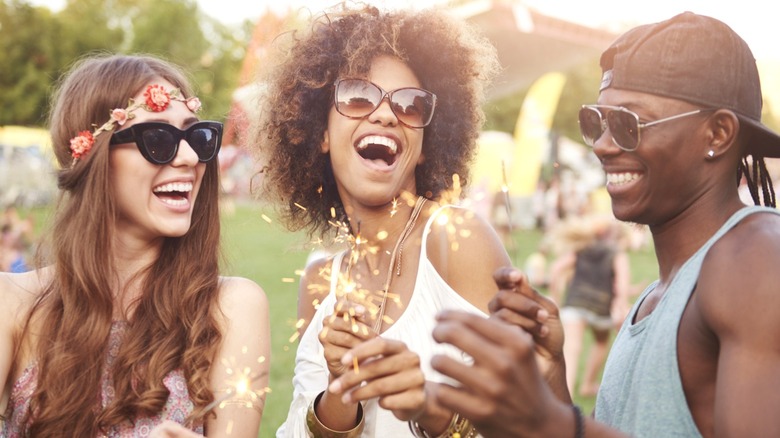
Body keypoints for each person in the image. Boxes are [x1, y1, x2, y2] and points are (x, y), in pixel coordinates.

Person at [426, 11, 780, 437]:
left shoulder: (756, 260)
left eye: (629, 125)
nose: (602, 146)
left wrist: (549, 422)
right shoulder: (661, 291)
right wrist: (552, 373)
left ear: (717, 134)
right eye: (597, 122)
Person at [250, 3, 503, 437]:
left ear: (425, 144)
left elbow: (533, 419)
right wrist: (341, 388)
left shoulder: (455, 240)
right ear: (321, 132)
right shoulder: (319, 281)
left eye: (410, 105)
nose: (385, 114)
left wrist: (431, 407)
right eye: (358, 96)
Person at [0, 54, 270, 437]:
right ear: (92, 156)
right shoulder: (12, 304)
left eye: (198, 136)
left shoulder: (231, 308)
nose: (191, 157)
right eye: (158, 140)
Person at [546, 215, 631, 397]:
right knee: (601, 342)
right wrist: (621, 304)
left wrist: (555, 295)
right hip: (601, 308)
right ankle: (587, 384)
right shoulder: (616, 253)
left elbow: (556, 269)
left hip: (575, 303)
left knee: (572, 348)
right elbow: (621, 284)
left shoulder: (581, 249)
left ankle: (565, 392)